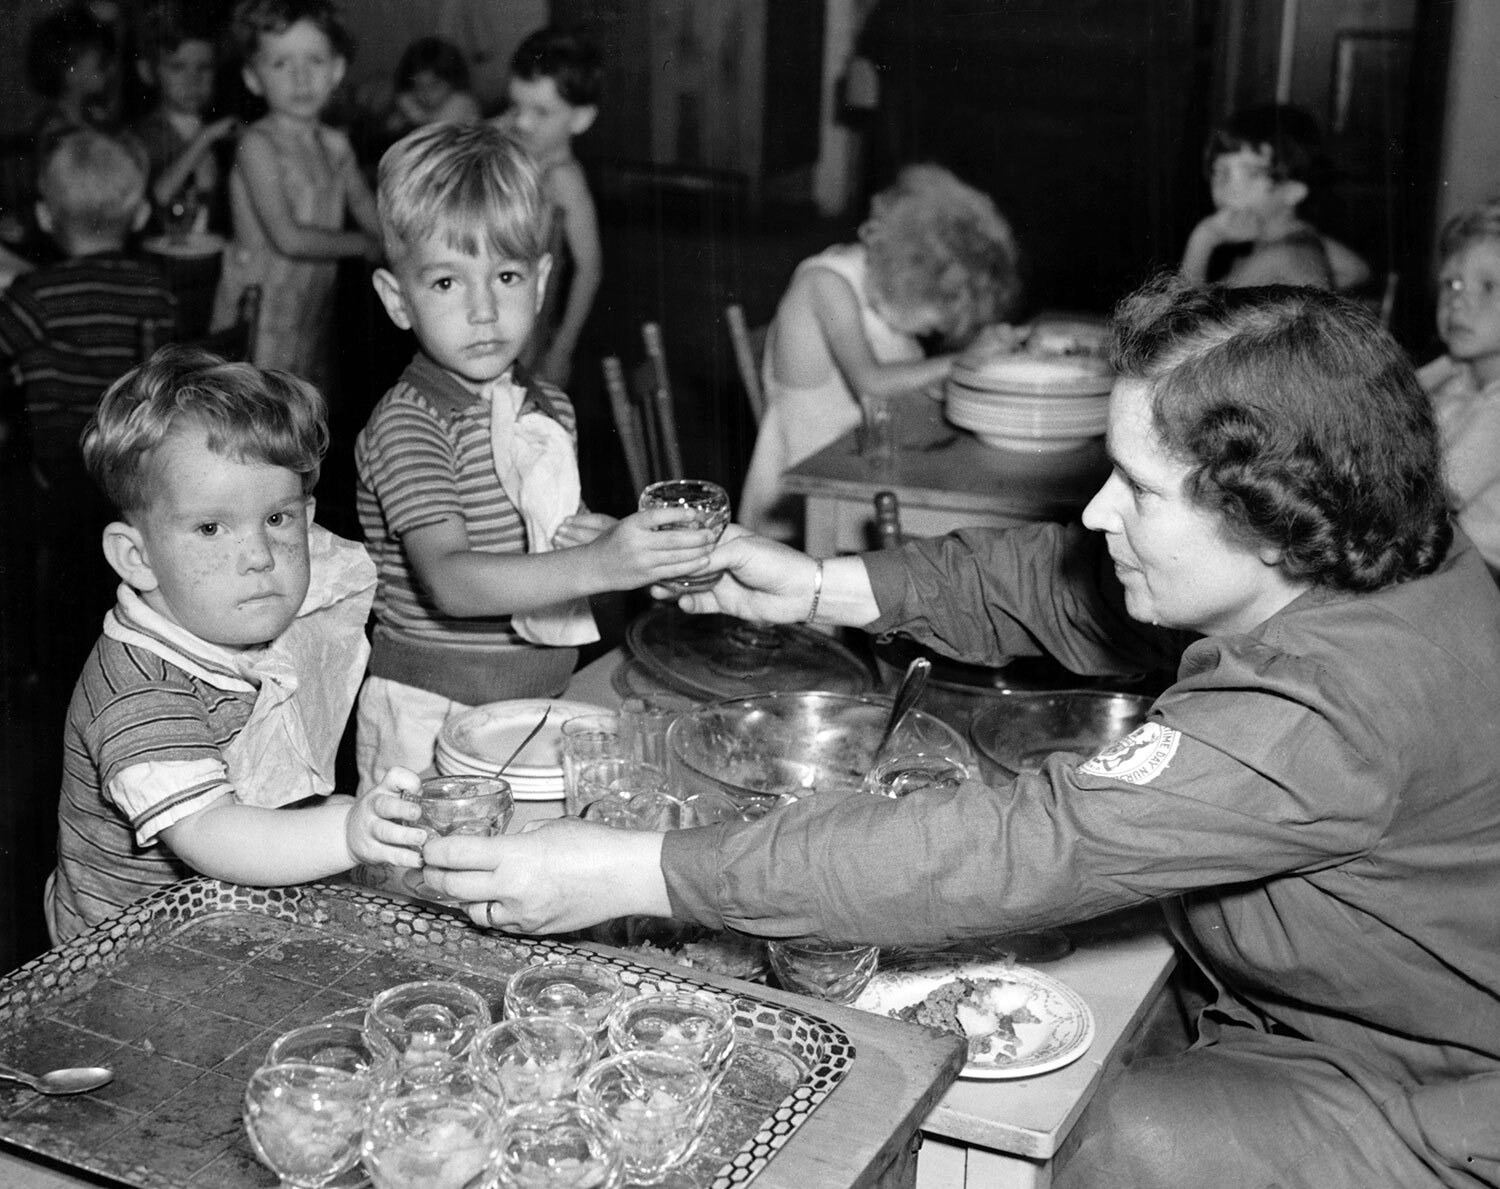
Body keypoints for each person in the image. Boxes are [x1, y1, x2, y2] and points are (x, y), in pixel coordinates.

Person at [423, 276, 1500, 1189]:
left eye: (1138, 489)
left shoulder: (1328, 714)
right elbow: (1064, 582)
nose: (1095, 513)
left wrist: (643, 868)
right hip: (1294, 1002)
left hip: (1432, 1081)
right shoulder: (1369, 542)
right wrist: (818, 584)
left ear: (1272, 518)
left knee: (1105, 1142)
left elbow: (1015, 847)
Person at [354, 121, 718, 791]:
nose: (484, 309)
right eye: (445, 283)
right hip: (429, 713)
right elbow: (452, 582)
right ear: (396, 299)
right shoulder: (411, 423)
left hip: (539, 692)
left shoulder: (546, 405)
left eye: (507, 274)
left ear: (542, 280)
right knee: (424, 883)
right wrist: (595, 562)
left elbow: (556, 540)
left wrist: (615, 543)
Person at [45, 345, 426, 944]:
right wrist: (348, 832)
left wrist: (335, 816)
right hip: (133, 956)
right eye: (210, 528)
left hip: (226, 913)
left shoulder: (228, 618)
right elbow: (211, 831)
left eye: (277, 519)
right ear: (137, 558)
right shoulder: (140, 688)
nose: (259, 556)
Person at [738, 163, 1023, 542]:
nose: (931, 331)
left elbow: (912, 385)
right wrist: (965, 357)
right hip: (806, 497)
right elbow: (871, 384)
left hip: (867, 476)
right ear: (918, 268)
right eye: (935, 319)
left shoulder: (886, 287)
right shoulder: (825, 282)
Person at [0, 129, 177, 678]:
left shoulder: (33, 296)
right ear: (142, 212)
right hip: (138, 469)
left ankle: (32, 662)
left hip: (60, 473)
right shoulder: (156, 288)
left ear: (46, 217)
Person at [208, 0, 382, 397]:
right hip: (254, 316)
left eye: (314, 62)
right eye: (281, 65)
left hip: (308, 310)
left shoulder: (334, 145)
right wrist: (367, 245)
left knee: (301, 407)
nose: (301, 78)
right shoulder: (257, 145)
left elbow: (367, 210)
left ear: (336, 70)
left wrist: (398, 245)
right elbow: (288, 237)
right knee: (254, 413)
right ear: (254, 78)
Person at [494, 25, 603, 389]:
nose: (523, 122)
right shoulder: (512, 142)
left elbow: (589, 269)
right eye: (516, 106)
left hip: (526, 333)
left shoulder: (564, 179)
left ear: (581, 118)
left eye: (541, 111)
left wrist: (563, 348)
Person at [1180, 103, 1371, 293]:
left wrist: (1204, 237)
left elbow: (1185, 317)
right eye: (1220, 171)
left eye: (1251, 173)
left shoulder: (1276, 258)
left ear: (1293, 192)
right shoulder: (1303, 238)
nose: (1226, 185)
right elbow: (1357, 271)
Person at [1419, 199, 1500, 575]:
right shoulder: (1456, 369)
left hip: (1485, 574)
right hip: (1451, 554)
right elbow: (1386, 403)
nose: (1458, 301)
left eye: (1488, 286)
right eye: (1452, 283)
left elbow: (1440, 490)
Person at [131, 2, 238, 238]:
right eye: (177, 68)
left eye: (204, 68)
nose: (193, 81)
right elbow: (158, 196)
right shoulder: (146, 134)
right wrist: (205, 138)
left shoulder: (221, 134)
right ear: (148, 71)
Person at [25, 4, 121, 159]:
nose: (111, 68)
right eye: (102, 63)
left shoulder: (89, 116)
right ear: (70, 71)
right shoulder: (55, 129)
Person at [385, 36, 481, 135]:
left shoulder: (461, 101)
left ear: (453, 82)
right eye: (419, 86)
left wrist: (410, 112)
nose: (426, 94)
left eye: (435, 86)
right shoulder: (418, 104)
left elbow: (438, 129)